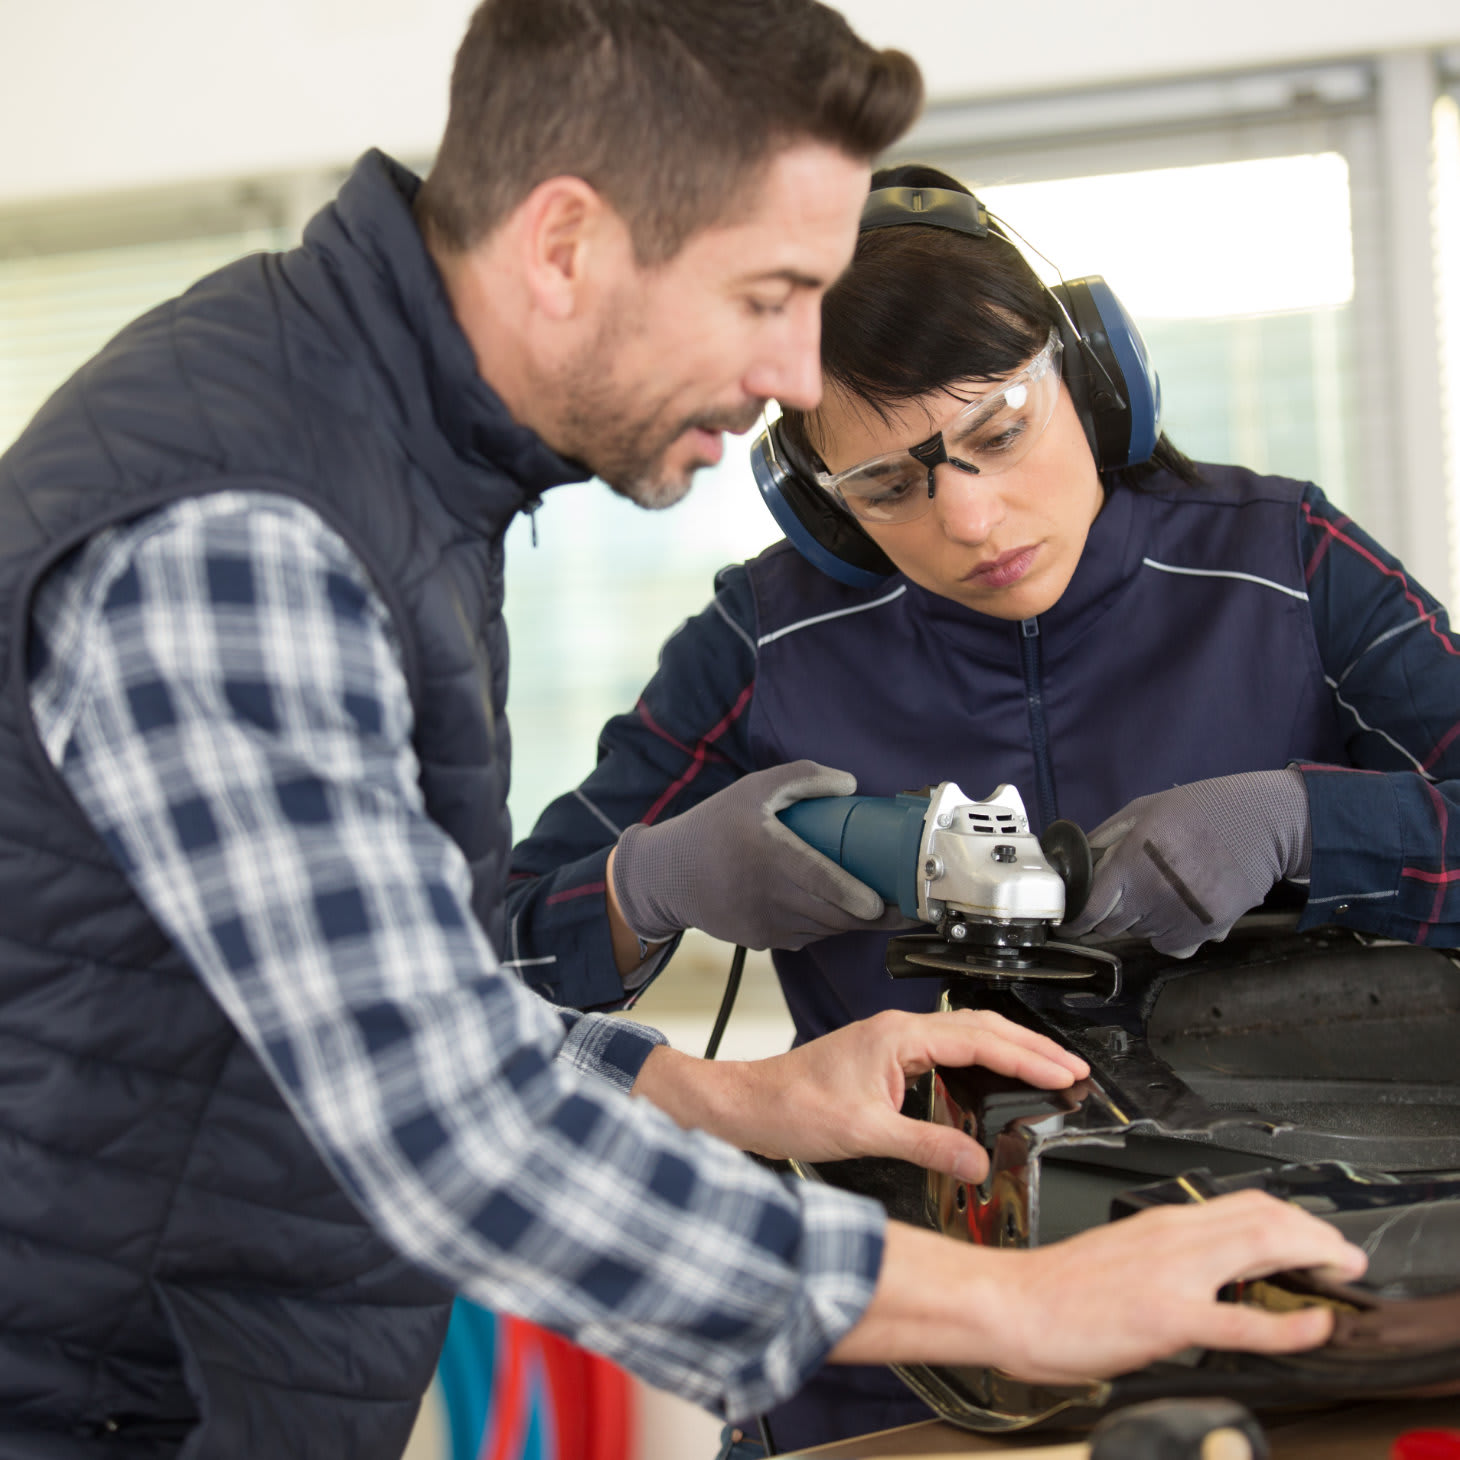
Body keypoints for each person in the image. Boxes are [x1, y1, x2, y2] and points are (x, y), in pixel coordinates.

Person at [0, 6, 1364, 1450]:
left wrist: (734, 1095)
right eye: (769, 294)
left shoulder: (381, 465)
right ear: (568, 242)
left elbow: (392, 1015)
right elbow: (446, 1131)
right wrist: (1022, 1307)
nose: (793, 378)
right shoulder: (248, 528)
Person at [506, 160, 1458, 1453]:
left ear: (1094, 379)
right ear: (817, 504)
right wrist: (645, 885)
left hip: (1296, 1331)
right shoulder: (764, 642)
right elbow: (473, 972)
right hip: (895, 1365)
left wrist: (1306, 824)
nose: (970, 517)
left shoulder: (1286, 562)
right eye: (889, 485)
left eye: (998, 433)